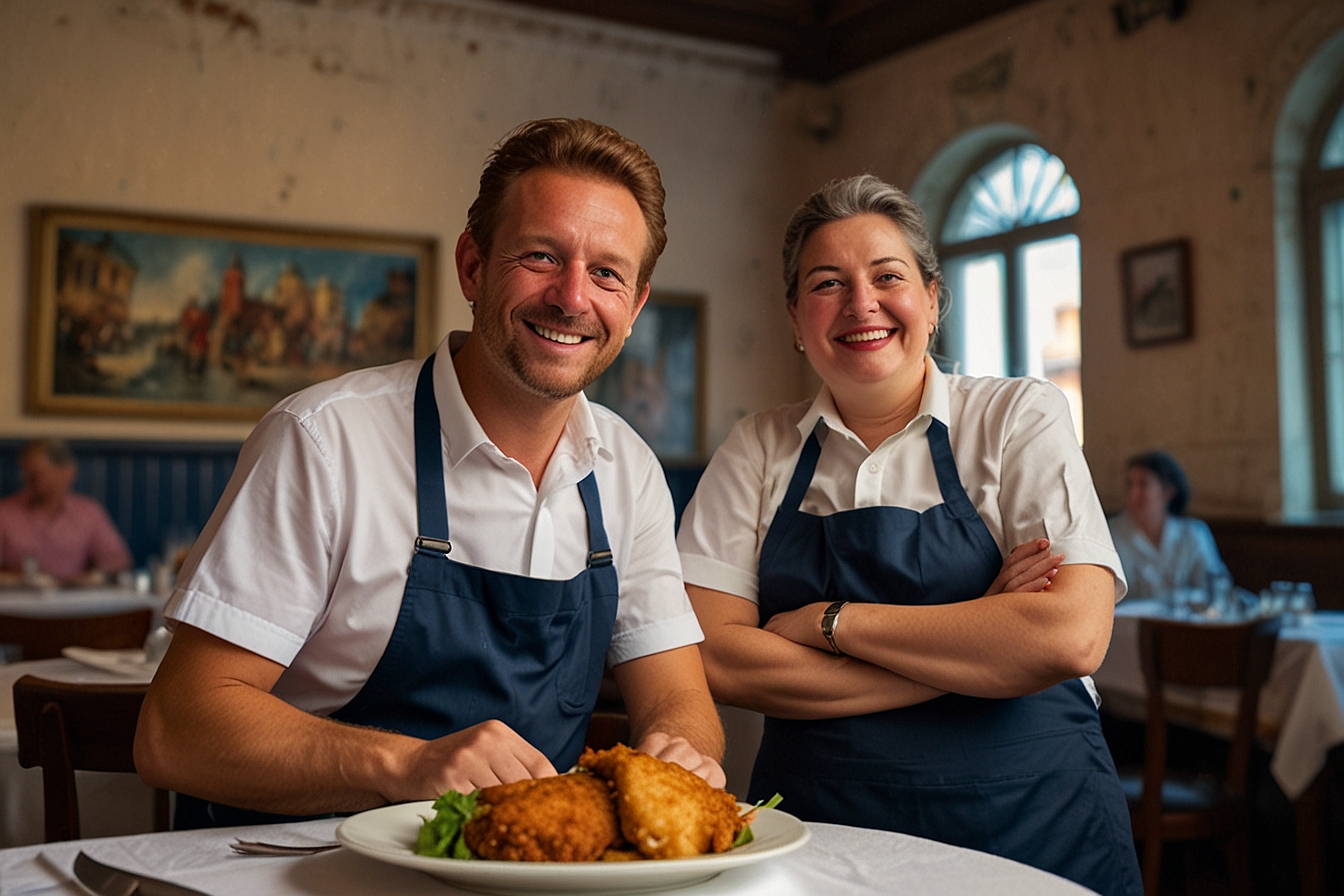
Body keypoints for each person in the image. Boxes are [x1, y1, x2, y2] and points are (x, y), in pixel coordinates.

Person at [135, 118, 725, 827]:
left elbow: (680, 699)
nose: (572, 297)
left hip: (526, 869)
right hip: (302, 867)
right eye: (540, 256)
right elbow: (175, 731)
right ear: (473, 266)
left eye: (606, 273)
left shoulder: (626, 469)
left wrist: (680, 751)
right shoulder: (325, 441)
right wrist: (405, 765)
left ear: (633, 308)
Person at [676, 174, 1141, 895]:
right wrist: (977, 641)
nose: (861, 303)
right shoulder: (757, 448)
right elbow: (714, 659)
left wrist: (827, 623)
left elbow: (1068, 638)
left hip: (1033, 821)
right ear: (797, 319)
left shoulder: (1018, 417)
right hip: (820, 831)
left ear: (932, 299)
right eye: (827, 284)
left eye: (887, 276)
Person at [0, 439, 132, 587]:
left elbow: (118, 560)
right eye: (27, 474)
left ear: (67, 472)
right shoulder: (4, 512)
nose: (31, 481)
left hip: (74, 602)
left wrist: (95, 574)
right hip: (18, 601)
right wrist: (20, 577)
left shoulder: (88, 512)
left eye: (39, 474)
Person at [1108, 449, 1229, 600]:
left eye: (1143, 485)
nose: (1134, 494)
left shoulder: (1193, 533)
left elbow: (1215, 588)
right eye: (1130, 485)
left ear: (1168, 492)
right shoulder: (1111, 533)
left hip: (1187, 621)